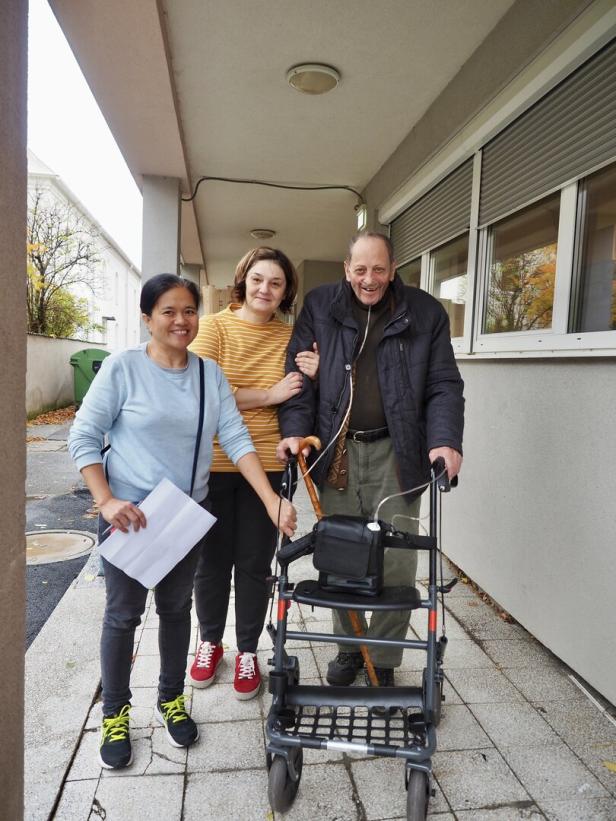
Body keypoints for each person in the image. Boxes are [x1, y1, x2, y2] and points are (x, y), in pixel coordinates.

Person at [68, 273, 296, 770]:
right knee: (123, 616)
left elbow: (237, 441)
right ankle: (114, 714)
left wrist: (272, 501)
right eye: (168, 311)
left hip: (182, 517)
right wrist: (105, 501)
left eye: (188, 310)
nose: (180, 320)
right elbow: (84, 436)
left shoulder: (208, 375)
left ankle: (170, 699)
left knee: (176, 612)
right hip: (130, 516)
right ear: (147, 319)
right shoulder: (122, 369)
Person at [277, 232, 464, 690]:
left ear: (393, 267)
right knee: (342, 555)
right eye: (360, 270)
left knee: (397, 561)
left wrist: (445, 440)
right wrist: (295, 433)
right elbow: (297, 380)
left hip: (398, 452)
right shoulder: (321, 307)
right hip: (336, 450)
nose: (369, 280)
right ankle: (349, 649)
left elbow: (443, 383)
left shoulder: (424, 312)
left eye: (378, 269)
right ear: (346, 268)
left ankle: (382, 656)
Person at [188, 247, 318, 699]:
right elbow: (202, 391)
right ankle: (208, 643)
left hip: (270, 463)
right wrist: (268, 395)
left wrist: (314, 374)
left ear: (286, 292)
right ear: (243, 281)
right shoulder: (214, 327)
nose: (265, 289)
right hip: (214, 462)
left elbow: (302, 395)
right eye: (258, 279)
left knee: (254, 562)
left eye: (276, 283)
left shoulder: (291, 336)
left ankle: (246, 651)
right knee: (210, 561)